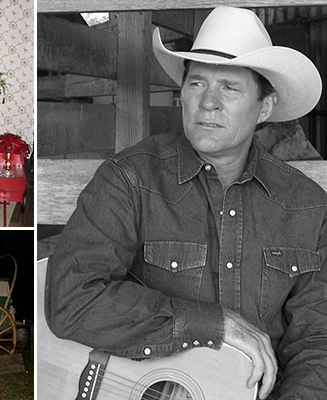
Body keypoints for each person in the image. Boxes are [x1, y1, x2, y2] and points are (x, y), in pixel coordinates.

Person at [44, 6, 327, 400]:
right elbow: (70, 298)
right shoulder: (130, 179)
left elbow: (318, 342)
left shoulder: (308, 207)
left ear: (264, 107)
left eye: (229, 87)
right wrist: (216, 324)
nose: (208, 102)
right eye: (196, 84)